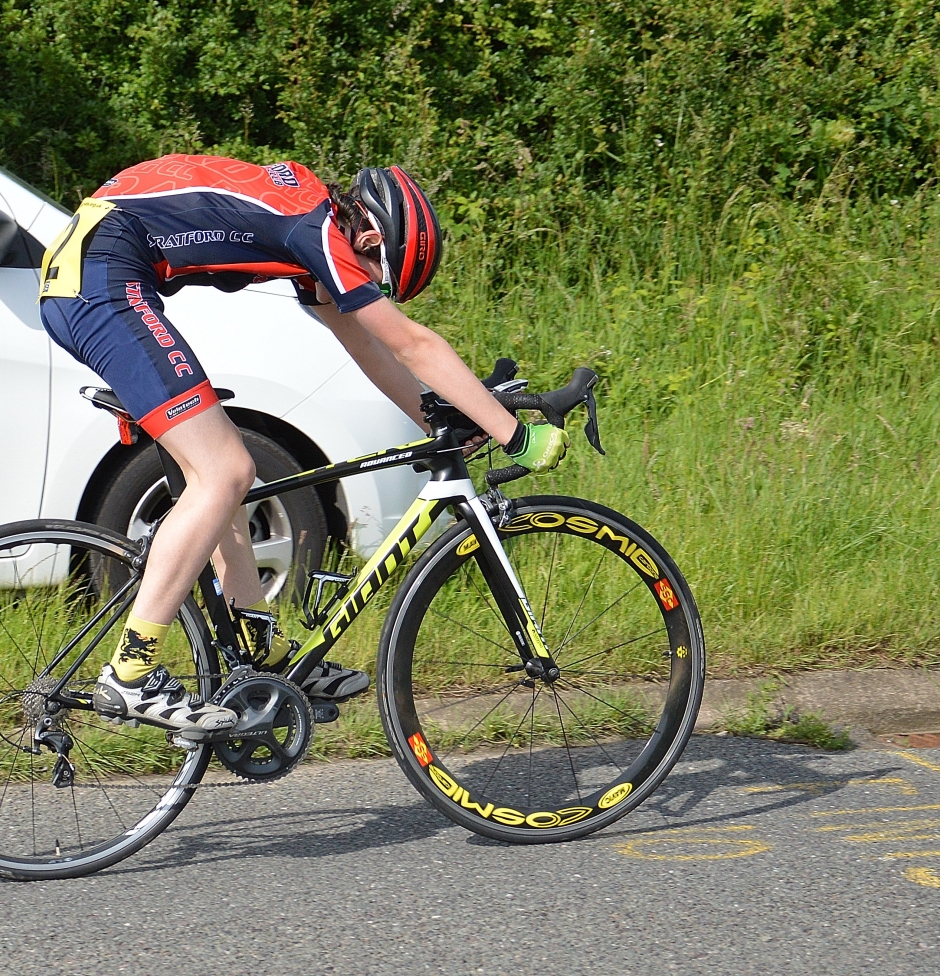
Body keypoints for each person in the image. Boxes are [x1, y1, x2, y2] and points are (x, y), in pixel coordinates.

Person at [40, 155, 568, 735]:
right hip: (102, 284)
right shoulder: (315, 228)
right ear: (369, 238)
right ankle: (131, 672)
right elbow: (412, 344)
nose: (370, 290)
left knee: (221, 480)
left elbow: (367, 346)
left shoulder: (310, 224)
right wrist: (516, 436)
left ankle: (258, 650)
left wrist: (435, 419)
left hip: (96, 273)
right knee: (226, 471)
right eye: (377, 278)